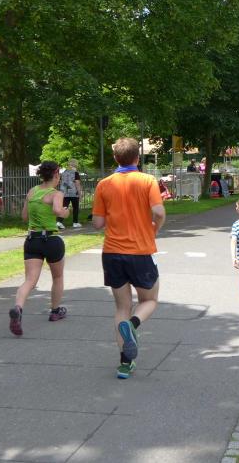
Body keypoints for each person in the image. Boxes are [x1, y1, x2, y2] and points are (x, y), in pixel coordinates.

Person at [92, 137, 166, 380]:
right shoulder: (147, 181)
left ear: (116, 158)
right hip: (141, 251)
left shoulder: (104, 184)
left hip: (112, 253)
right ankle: (133, 325)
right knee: (150, 300)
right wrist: (154, 229)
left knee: (121, 307)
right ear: (137, 158)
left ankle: (125, 363)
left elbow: (97, 223)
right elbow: (158, 212)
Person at [8, 162, 71, 336]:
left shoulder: (32, 192)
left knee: (30, 280)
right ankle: (55, 311)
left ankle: (18, 308)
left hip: (32, 239)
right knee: (57, 277)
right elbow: (57, 210)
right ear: (56, 175)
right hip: (51, 239)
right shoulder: (56, 193)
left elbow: (24, 216)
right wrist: (66, 212)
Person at [57, 159, 83, 229]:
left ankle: (59, 222)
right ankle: (75, 222)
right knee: (75, 208)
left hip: (64, 192)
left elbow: (61, 182)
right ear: (76, 165)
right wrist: (80, 194)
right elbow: (77, 183)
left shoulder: (64, 172)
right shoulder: (75, 173)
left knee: (64, 207)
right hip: (74, 192)